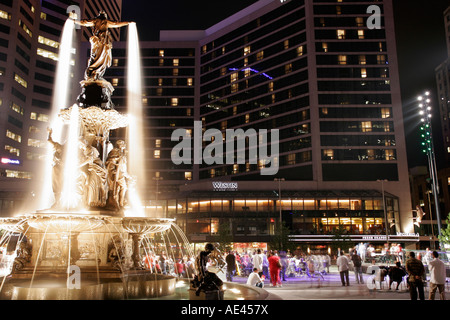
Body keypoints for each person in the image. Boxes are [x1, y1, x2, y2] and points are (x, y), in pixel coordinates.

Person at [74, 11, 132, 82]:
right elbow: (116, 24)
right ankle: (94, 73)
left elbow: (84, 22)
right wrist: (127, 23)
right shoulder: (104, 21)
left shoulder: (95, 20)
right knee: (100, 58)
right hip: (102, 42)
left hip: (98, 42)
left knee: (96, 57)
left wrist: (75, 21)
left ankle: (93, 73)